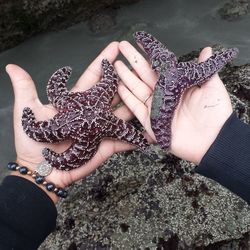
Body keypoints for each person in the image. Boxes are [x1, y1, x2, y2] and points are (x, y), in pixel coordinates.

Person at [0, 40, 249, 249]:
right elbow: (96, 90)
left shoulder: (86, 106)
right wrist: (223, 142)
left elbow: (67, 93)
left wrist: (34, 172)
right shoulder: (100, 108)